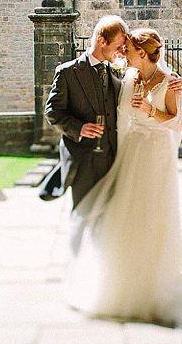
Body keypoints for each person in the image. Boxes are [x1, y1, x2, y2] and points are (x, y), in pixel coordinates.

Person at [64, 27, 182, 333]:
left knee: (153, 214)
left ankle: (154, 280)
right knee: (126, 213)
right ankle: (124, 276)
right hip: (132, 150)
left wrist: (151, 109)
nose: (122, 54)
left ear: (142, 53)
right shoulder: (127, 77)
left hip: (155, 153)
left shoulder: (170, 82)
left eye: (127, 50)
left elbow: (173, 119)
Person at [44, 15, 129, 209]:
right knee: (83, 217)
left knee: (108, 219)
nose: (121, 52)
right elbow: (53, 111)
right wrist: (79, 128)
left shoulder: (116, 73)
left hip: (113, 159)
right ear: (102, 41)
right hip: (84, 162)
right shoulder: (68, 72)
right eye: (118, 46)